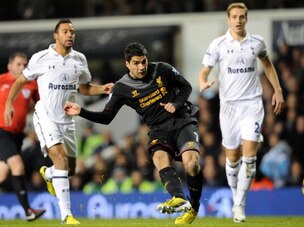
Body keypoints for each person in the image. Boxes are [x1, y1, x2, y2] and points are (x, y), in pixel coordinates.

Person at [64, 42, 203, 224]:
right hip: (158, 128)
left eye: (143, 61)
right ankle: (179, 199)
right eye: (136, 63)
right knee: (160, 158)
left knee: (191, 164)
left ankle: (194, 206)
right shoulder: (122, 88)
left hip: (182, 120)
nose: (141, 67)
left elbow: (186, 87)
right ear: (127, 64)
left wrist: (176, 104)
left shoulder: (162, 69)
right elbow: (107, 117)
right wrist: (81, 111)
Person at [4, 19, 113, 224]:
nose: (70, 35)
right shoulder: (41, 58)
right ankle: (66, 216)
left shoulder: (79, 59)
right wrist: (9, 103)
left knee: (70, 169)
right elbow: (21, 80)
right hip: (46, 115)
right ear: (56, 35)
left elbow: (83, 87)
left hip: (68, 119)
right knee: (61, 159)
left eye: (72, 32)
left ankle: (49, 174)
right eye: (65, 31)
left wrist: (102, 89)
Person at [198, 2, 284, 223]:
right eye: (234, 16)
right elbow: (204, 70)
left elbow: (267, 64)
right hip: (228, 107)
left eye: (242, 16)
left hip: (252, 105)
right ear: (228, 19)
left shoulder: (257, 43)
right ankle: (236, 198)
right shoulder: (218, 44)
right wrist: (202, 82)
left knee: (250, 155)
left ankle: (239, 204)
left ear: (246, 19)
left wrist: (278, 90)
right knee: (233, 157)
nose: (238, 20)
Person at [0, 52, 46, 221]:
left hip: (17, 135)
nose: (22, 68)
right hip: (1, 132)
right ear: (9, 66)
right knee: (18, 167)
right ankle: (28, 211)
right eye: (18, 64)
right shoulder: (1, 80)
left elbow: (41, 103)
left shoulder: (31, 84)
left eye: (25, 65)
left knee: (2, 175)